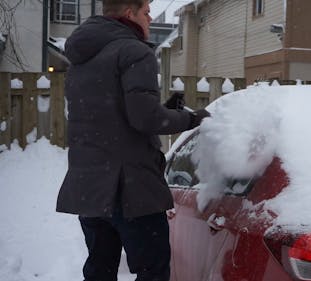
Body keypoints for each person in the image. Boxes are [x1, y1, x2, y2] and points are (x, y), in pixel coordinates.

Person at [56, 0, 209, 280]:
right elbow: (145, 119)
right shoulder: (134, 51)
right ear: (130, 13)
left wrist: (164, 111)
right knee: (154, 270)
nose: (150, 19)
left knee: (99, 270)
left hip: (90, 190)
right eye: (146, 13)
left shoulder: (81, 58)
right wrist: (192, 119)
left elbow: (114, 116)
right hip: (130, 191)